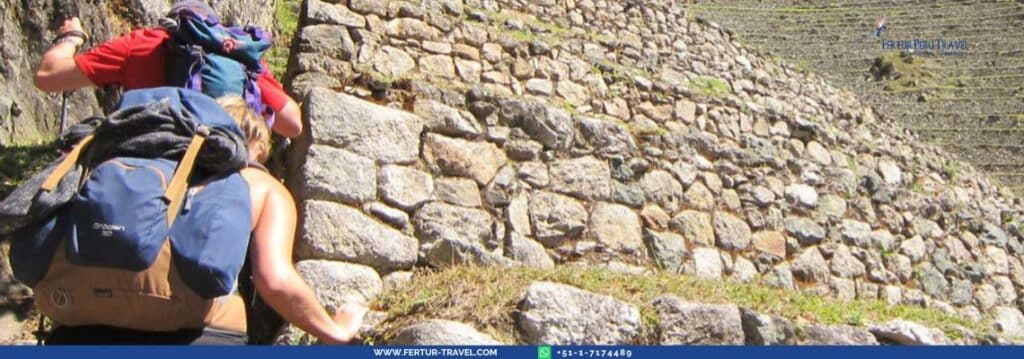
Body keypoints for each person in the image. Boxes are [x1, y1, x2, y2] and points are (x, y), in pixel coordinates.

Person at [43, 96, 364, 345]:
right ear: (254, 146)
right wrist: (334, 331)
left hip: (77, 330)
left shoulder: (121, 168)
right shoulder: (258, 184)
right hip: (200, 336)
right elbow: (275, 280)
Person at [33, 1, 303, 138]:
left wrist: (71, 38)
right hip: (222, 153)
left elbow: (47, 76)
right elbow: (293, 124)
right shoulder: (235, 54)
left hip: (149, 150)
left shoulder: (143, 44)